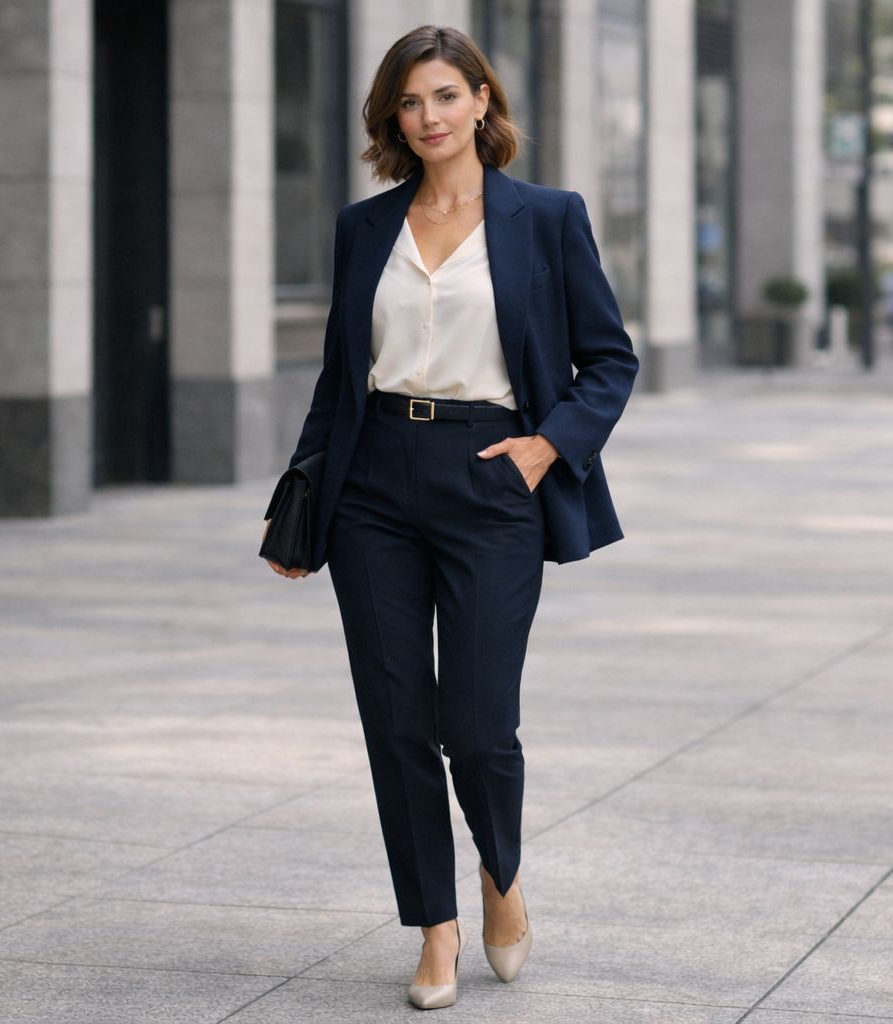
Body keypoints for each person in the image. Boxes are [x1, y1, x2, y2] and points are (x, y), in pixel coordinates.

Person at [265, 26, 638, 1010]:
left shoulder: (547, 218)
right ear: (394, 117)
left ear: (481, 99)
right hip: (374, 485)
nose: (426, 116)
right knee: (396, 724)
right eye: (408, 102)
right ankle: (435, 928)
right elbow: (341, 379)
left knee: (476, 726)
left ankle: (501, 879)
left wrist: (544, 447)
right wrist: (304, 500)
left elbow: (609, 360)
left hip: (491, 481)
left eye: (443, 95)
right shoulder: (363, 228)